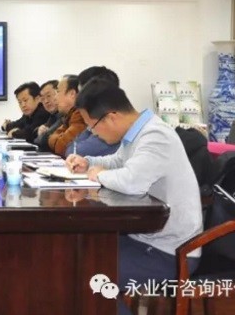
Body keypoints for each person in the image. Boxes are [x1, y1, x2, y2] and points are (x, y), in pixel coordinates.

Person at [65, 80, 202, 315]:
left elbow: (132, 182)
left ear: (111, 117)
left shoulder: (156, 135)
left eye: (92, 126)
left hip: (171, 250)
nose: (93, 132)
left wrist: (99, 175)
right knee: (75, 256)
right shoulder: (137, 132)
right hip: (146, 238)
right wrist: (88, 163)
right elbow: (118, 161)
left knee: (90, 278)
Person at [64, 66, 121, 157]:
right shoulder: (96, 117)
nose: (78, 98)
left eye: (81, 93)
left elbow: (73, 152)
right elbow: (71, 147)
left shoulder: (112, 120)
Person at [47, 75, 86, 157]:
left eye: (58, 92)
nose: (55, 98)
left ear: (72, 94)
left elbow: (60, 146)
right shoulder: (69, 115)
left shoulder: (80, 115)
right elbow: (50, 139)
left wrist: (58, 139)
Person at [34, 80, 61, 150]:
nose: (46, 101)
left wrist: (41, 135)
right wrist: (39, 130)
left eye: (49, 96)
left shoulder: (63, 115)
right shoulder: (53, 115)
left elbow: (42, 140)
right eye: (42, 99)